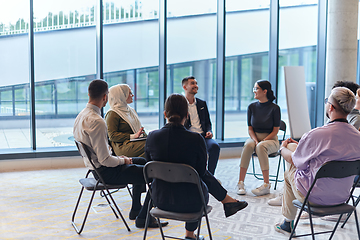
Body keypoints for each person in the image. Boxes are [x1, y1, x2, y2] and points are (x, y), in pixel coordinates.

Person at [145, 93, 248, 240]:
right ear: (186, 115)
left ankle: (226, 201)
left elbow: (150, 170)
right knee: (197, 181)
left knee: (193, 180)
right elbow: (201, 172)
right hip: (192, 203)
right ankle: (191, 232)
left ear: (165, 114)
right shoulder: (195, 139)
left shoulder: (152, 137)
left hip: (160, 200)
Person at [73, 79, 168, 228]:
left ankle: (136, 208)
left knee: (143, 163)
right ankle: (144, 217)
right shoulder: (97, 121)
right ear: (105, 96)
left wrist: (124, 159)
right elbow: (105, 160)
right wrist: (124, 160)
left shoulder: (81, 116)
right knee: (156, 173)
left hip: (95, 170)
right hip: (106, 172)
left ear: (89, 94)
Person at [274, 87, 360, 235]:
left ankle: (287, 224)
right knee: (296, 148)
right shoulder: (357, 136)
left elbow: (296, 162)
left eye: (327, 101)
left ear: (331, 107)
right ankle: (288, 222)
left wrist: (282, 149)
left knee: (289, 171)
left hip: (313, 197)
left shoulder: (316, 134)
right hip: (342, 197)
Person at [237, 80, 281, 196]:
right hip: (255, 137)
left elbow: (275, 130)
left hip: (271, 139)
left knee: (261, 146)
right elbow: (250, 128)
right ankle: (240, 183)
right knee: (248, 145)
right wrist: (256, 140)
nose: (254, 91)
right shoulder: (251, 107)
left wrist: (263, 141)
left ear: (264, 91)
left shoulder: (275, 108)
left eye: (256, 88)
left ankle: (266, 185)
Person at [182, 76, 220, 175]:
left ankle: (210, 176)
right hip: (188, 137)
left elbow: (208, 123)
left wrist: (209, 131)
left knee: (215, 147)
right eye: (192, 83)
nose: (196, 86)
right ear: (185, 87)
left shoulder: (202, 103)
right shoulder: (181, 103)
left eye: (196, 83)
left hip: (202, 136)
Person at [105, 84, 146, 158]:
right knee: (152, 145)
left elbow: (140, 129)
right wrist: (133, 136)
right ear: (121, 96)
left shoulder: (130, 110)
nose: (132, 95)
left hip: (134, 141)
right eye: (129, 93)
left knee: (154, 142)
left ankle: (150, 167)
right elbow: (112, 136)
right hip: (123, 146)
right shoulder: (112, 114)